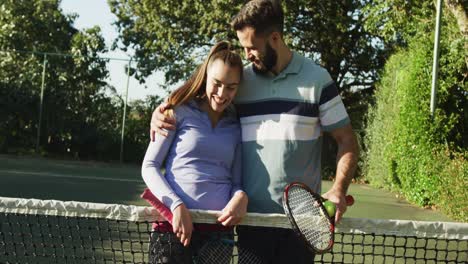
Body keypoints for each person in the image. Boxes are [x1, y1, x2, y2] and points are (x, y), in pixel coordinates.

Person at [151, 1, 359, 263]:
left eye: (251, 47)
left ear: (274, 38)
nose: (247, 54)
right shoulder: (241, 82)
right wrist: (163, 109)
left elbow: (347, 140)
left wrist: (339, 189)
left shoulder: (318, 80)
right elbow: (204, 95)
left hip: (302, 222)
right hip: (251, 222)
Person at [141, 41, 248, 264]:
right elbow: (149, 166)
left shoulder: (237, 125)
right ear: (205, 77)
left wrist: (240, 196)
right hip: (172, 228)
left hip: (218, 235)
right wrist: (176, 206)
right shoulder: (176, 110)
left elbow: (236, 183)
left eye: (231, 87)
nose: (221, 93)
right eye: (216, 83)